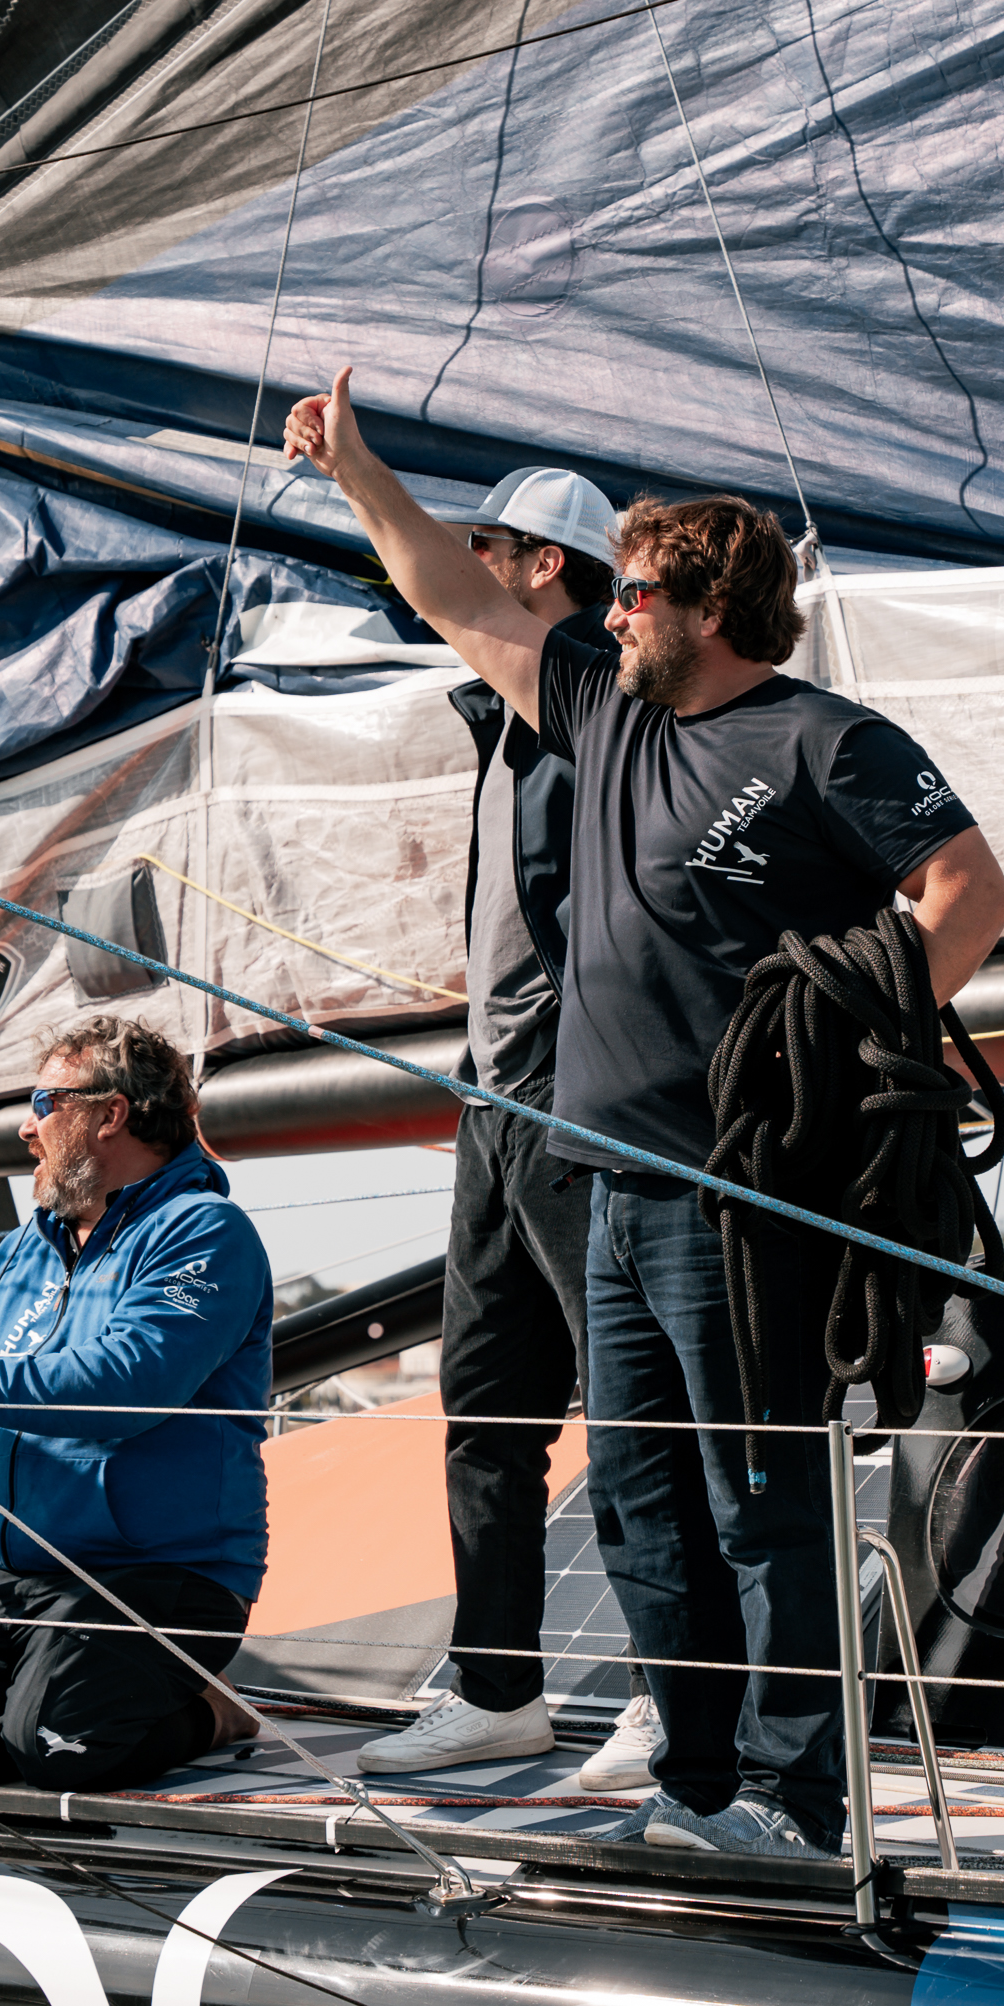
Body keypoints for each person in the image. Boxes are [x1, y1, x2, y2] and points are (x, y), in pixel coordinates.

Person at [281, 369, 1004, 1858]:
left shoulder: (824, 743)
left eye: (631, 596)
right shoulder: (595, 718)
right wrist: (357, 473)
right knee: (639, 1504)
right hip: (608, 1181)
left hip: (745, 1195)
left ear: (709, 607)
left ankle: (799, 1805)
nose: (604, 616)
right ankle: (692, 1793)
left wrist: (846, 1030)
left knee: (760, 1508)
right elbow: (451, 599)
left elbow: (970, 895)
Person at [356, 467, 661, 1790]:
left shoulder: (587, 696)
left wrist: (356, 469)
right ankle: (495, 1691)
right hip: (491, 1106)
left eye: (490, 543)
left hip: (573, 1107)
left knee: (638, 1406)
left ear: (547, 568)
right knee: (485, 1407)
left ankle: (671, 1696)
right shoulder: (502, 718)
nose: (467, 558)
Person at [0, 1014, 274, 1797]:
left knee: (52, 1749)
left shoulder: (204, 1233)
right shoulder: (22, 1252)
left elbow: (131, 1384)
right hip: (13, 1571)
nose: (26, 1127)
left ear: (109, 1113)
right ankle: (61, 1699)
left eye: (45, 1102)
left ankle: (211, 1710)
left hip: (159, 1575)